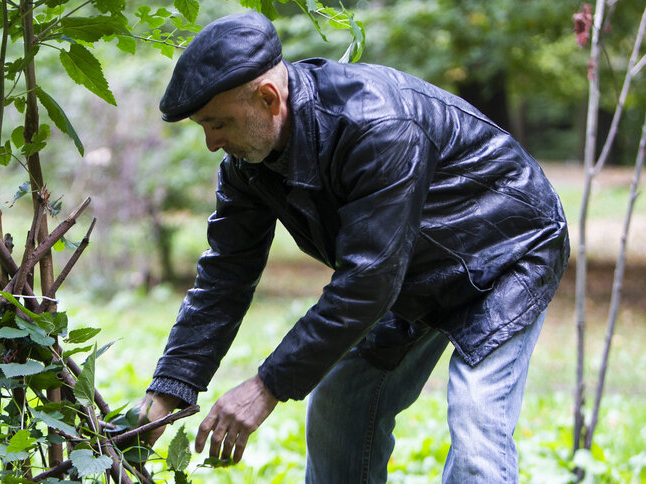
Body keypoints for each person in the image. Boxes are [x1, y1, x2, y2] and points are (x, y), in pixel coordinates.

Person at [138, 11, 570, 483]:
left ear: (267, 98)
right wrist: (171, 390)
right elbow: (225, 276)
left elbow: (367, 280)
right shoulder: (247, 165)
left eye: (218, 123)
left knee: (476, 434)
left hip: (508, 251)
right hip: (408, 268)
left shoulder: (377, 125)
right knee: (341, 403)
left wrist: (265, 386)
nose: (210, 142)